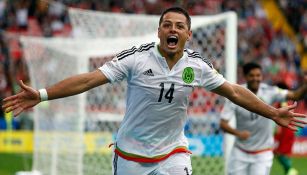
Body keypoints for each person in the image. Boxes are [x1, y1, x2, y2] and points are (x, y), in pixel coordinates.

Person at [2, 7, 307, 175]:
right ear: (159, 31)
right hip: (131, 156)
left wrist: (271, 112)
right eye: (166, 25)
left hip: (173, 152)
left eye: (178, 26)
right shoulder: (136, 58)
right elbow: (88, 80)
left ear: (188, 34)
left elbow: (235, 92)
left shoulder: (197, 66)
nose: (172, 30)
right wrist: (41, 95)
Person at [220, 62, 307, 175]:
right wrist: (238, 133)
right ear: (245, 77)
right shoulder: (235, 94)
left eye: (258, 75)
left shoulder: (270, 91)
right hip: (240, 152)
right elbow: (223, 123)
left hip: (262, 153)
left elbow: (296, 96)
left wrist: (305, 86)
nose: (255, 78)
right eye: (252, 75)